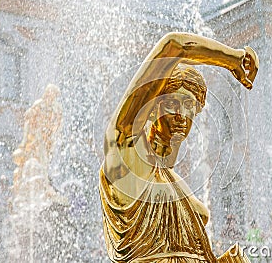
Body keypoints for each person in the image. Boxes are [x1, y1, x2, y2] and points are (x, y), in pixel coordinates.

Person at [99, 32, 258, 262]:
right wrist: (232, 59)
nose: (183, 115)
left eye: (190, 107)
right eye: (173, 104)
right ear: (151, 108)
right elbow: (173, 45)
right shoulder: (125, 149)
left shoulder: (172, 182)